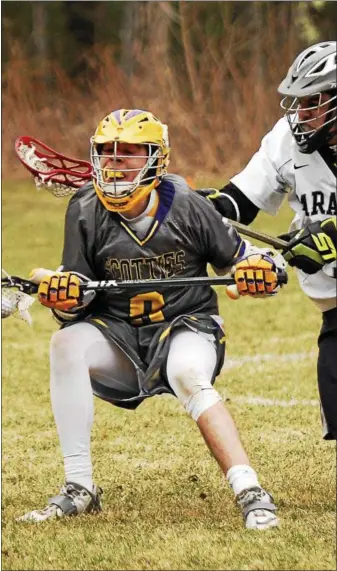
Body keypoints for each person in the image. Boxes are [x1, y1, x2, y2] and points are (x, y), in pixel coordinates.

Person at [18, 108, 286, 529]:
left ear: (155, 160)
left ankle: (250, 489)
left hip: (187, 325)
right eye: (106, 153)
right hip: (121, 336)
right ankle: (79, 487)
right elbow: (80, 299)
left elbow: (241, 262)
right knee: (65, 343)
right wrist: (63, 300)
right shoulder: (85, 209)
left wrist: (262, 270)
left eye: (128, 153)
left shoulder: (190, 206)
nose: (114, 163)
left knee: (186, 372)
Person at [198, 41, 337, 441]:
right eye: (298, 103)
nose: (301, 115)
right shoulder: (286, 140)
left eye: (313, 103)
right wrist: (208, 206)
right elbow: (238, 202)